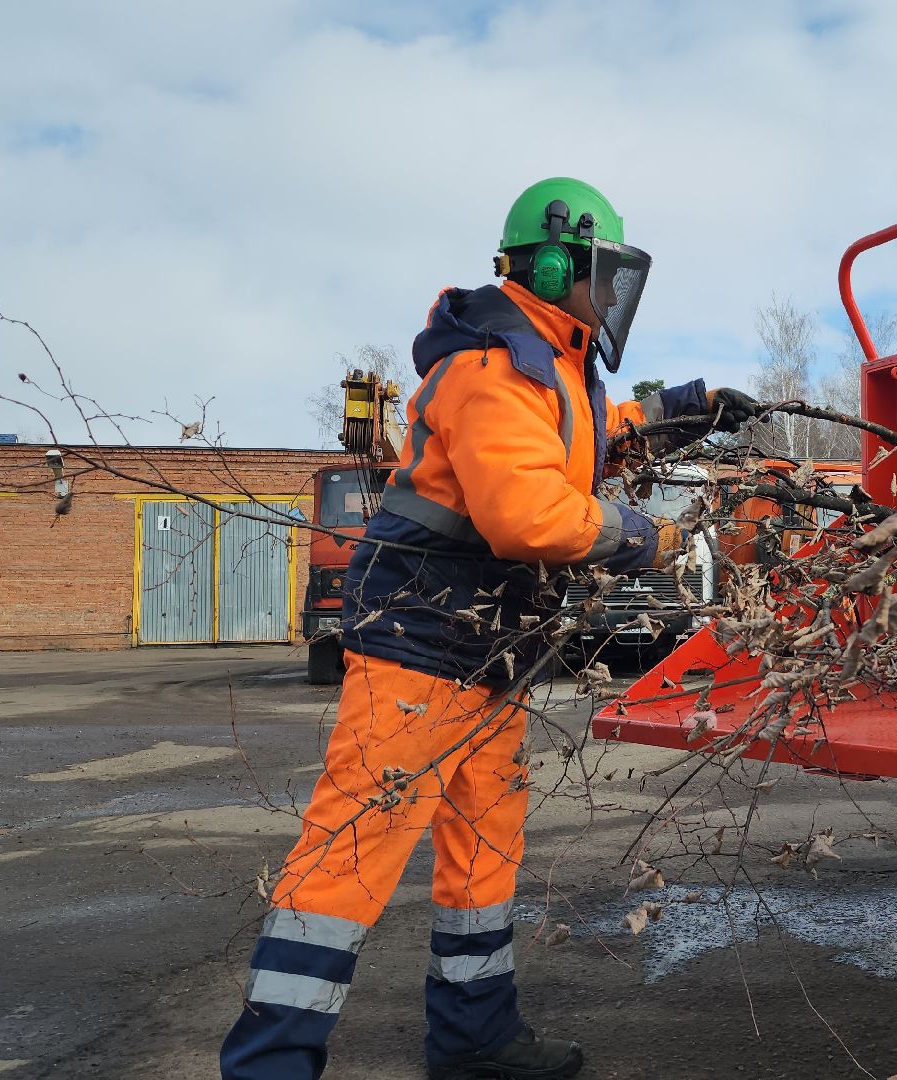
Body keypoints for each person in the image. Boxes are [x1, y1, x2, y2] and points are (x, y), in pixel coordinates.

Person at [219, 177, 759, 1080]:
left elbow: (588, 438)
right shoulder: (492, 367)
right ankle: (270, 1066)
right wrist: (650, 537)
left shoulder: (550, 367)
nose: (613, 296)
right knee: (348, 860)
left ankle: (475, 1041)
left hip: (487, 651)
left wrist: (682, 410)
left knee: (484, 850)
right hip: (420, 645)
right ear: (555, 262)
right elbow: (531, 516)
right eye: (603, 273)